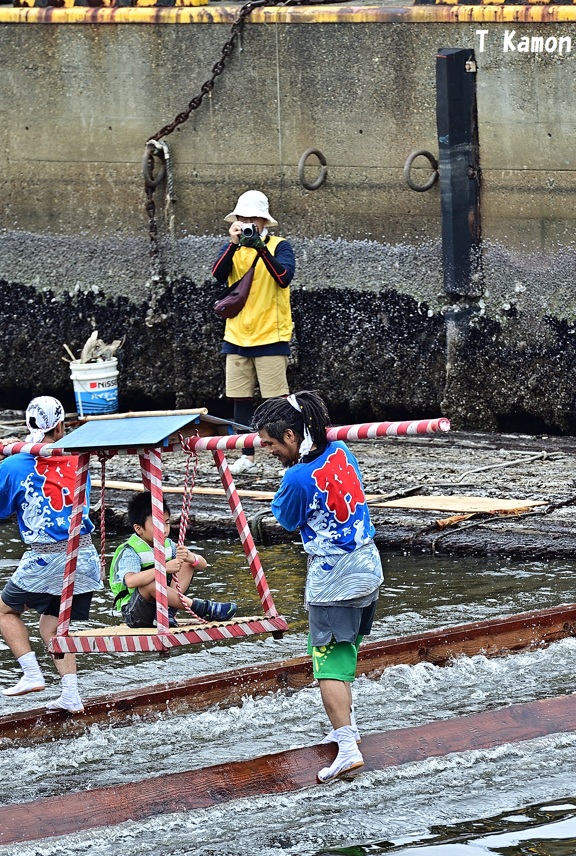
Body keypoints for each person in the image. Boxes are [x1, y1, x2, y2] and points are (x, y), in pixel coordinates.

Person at [252, 391, 383, 783]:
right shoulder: (341, 450)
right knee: (344, 655)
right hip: (367, 567)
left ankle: (347, 746)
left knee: (328, 665)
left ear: (291, 437)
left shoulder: (295, 477)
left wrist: (288, 479)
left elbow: (288, 520)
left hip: (333, 580)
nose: (270, 451)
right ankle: (345, 729)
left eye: (272, 444)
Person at [0, 396, 102, 713]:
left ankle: (31, 674)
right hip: (85, 557)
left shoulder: (17, 462)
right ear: (59, 426)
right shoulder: (75, 457)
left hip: (48, 557)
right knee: (52, 627)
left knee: (5, 610)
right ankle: (71, 693)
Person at [212, 189, 295, 474]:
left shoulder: (280, 246)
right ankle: (247, 455)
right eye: (243, 219)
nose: (248, 224)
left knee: (277, 403)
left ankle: (288, 455)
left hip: (271, 335)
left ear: (264, 221)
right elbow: (218, 274)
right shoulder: (233, 250)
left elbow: (284, 278)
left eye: (253, 220)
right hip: (236, 335)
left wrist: (260, 247)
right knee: (240, 399)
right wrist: (233, 244)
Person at [109, 491, 237, 627]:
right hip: (135, 614)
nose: (164, 530)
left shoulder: (168, 545)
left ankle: (167, 612)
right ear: (139, 528)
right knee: (150, 583)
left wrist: (190, 557)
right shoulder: (130, 551)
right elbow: (131, 581)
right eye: (157, 525)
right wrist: (163, 568)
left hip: (162, 606)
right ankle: (203, 608)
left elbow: (203, 565)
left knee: (186, 563)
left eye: (167, 523)